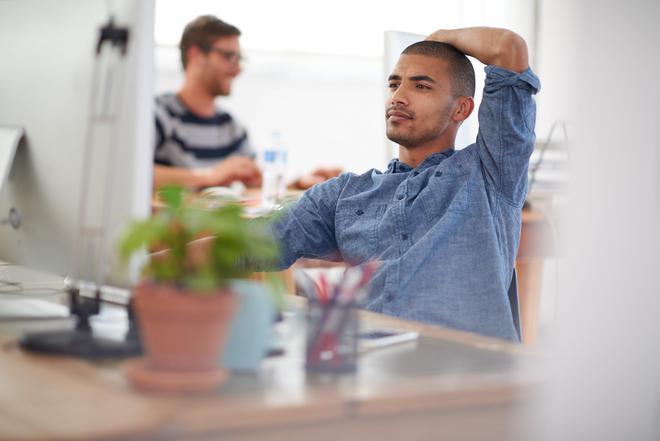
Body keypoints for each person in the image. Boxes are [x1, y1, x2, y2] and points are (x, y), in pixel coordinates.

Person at [272, 27, 540, 341]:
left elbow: (508, 48)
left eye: (421, 86)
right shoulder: (345, 194)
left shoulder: (490, 172)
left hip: (469, 375)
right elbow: (253, 244)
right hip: (374, 370)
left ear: (461, 108)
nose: (398, 97)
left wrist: (441, 37)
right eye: (394, 84)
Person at [153, 15, 340, 191]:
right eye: (229, 57)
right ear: (196, 55)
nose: (237, 69)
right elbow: (134, 173)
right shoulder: (159, 115)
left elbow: (257, 189)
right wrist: (211, 176)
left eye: (239, 59)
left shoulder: (231, 127)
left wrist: (301, 185)